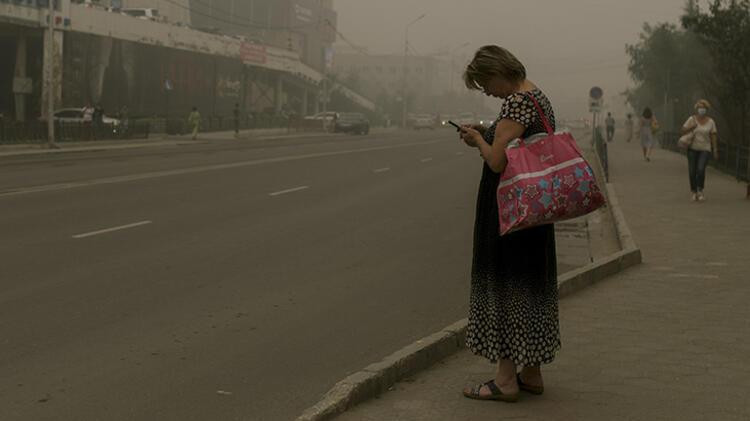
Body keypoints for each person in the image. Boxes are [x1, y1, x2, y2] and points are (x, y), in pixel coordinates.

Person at [457, 45, 560, 403]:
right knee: (529, 285)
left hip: (509, 210)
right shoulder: (538, 97)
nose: (487, 91)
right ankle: (530, 372)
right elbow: (521, 141)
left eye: (485, 83)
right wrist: (489, 131)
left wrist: (477, 142)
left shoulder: (516, 102)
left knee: (504, 285)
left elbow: (498, 162)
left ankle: (504, 381)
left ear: (498, 71)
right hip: (533, 212)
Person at [681, 99, 718, 202]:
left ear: (706, 109)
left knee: (701, 169)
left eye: (703, 108)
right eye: (700, 107)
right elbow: (682, 130)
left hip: (705, 149)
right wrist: (691, 127)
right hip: (692, 148)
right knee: (692, 171)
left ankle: (700, 190)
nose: (701, 109)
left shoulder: (711, 121)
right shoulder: (691, 119)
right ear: (697, 109)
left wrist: (715, 149)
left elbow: (713, 135)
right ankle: (693, 191)